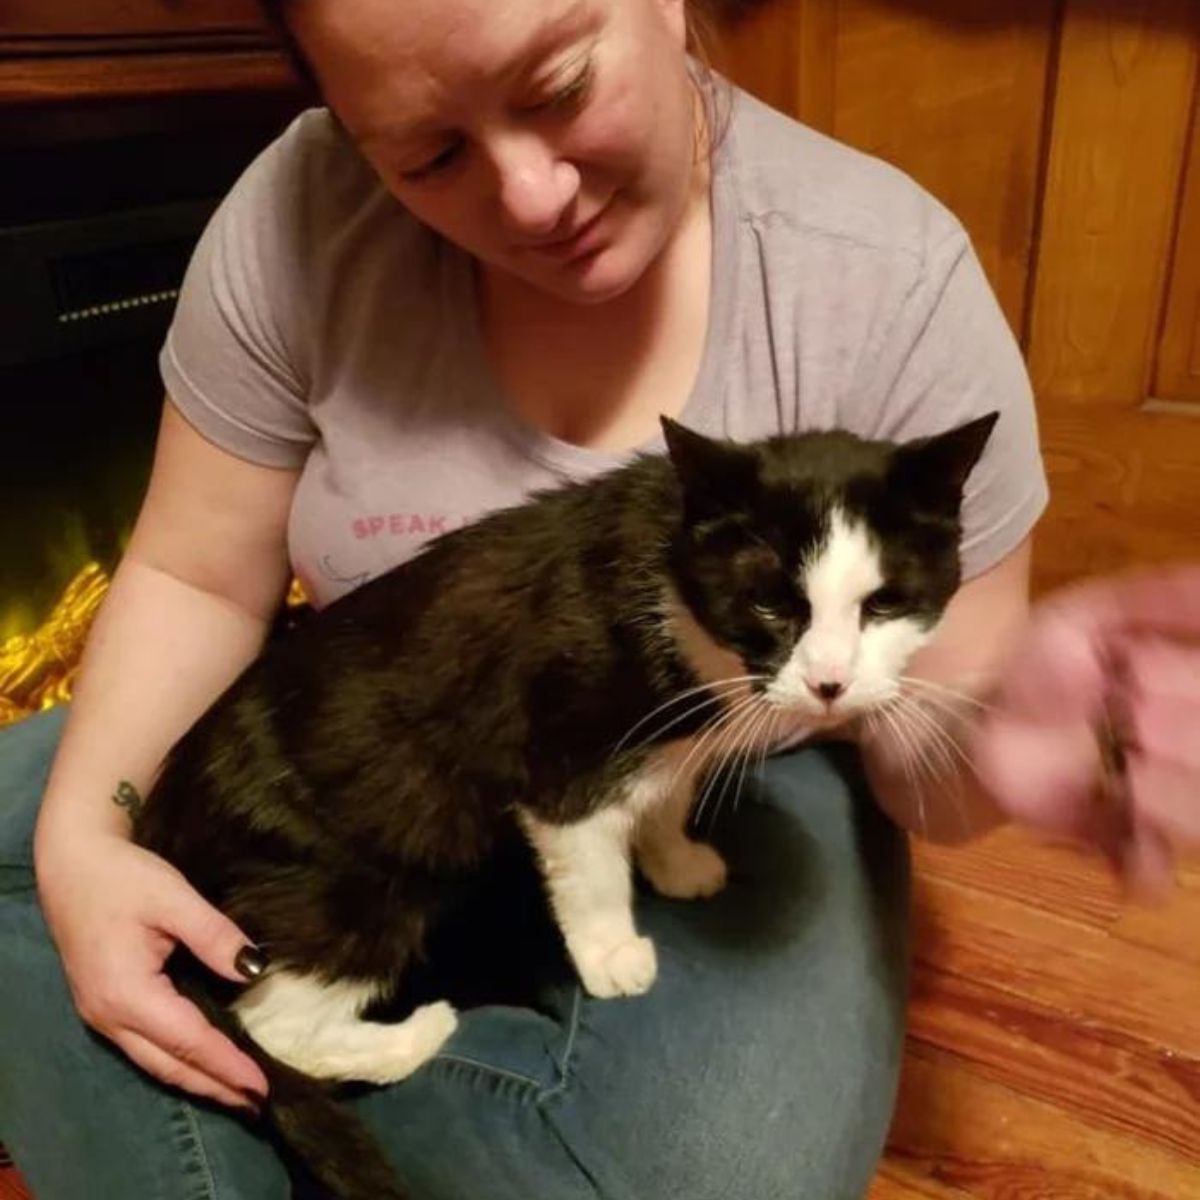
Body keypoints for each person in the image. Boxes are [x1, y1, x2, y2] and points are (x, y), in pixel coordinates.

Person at [1, 0, 1191, 1195]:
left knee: (724, 1158)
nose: (528, 197)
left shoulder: (888, 275)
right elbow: (196, 577)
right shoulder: (292, 218)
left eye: (560, 85)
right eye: (428, 153)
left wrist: (999, 742)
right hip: (376, 758)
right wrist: (81, 843)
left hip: (736, 763)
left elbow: (909, 725)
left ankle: (252, 1091)